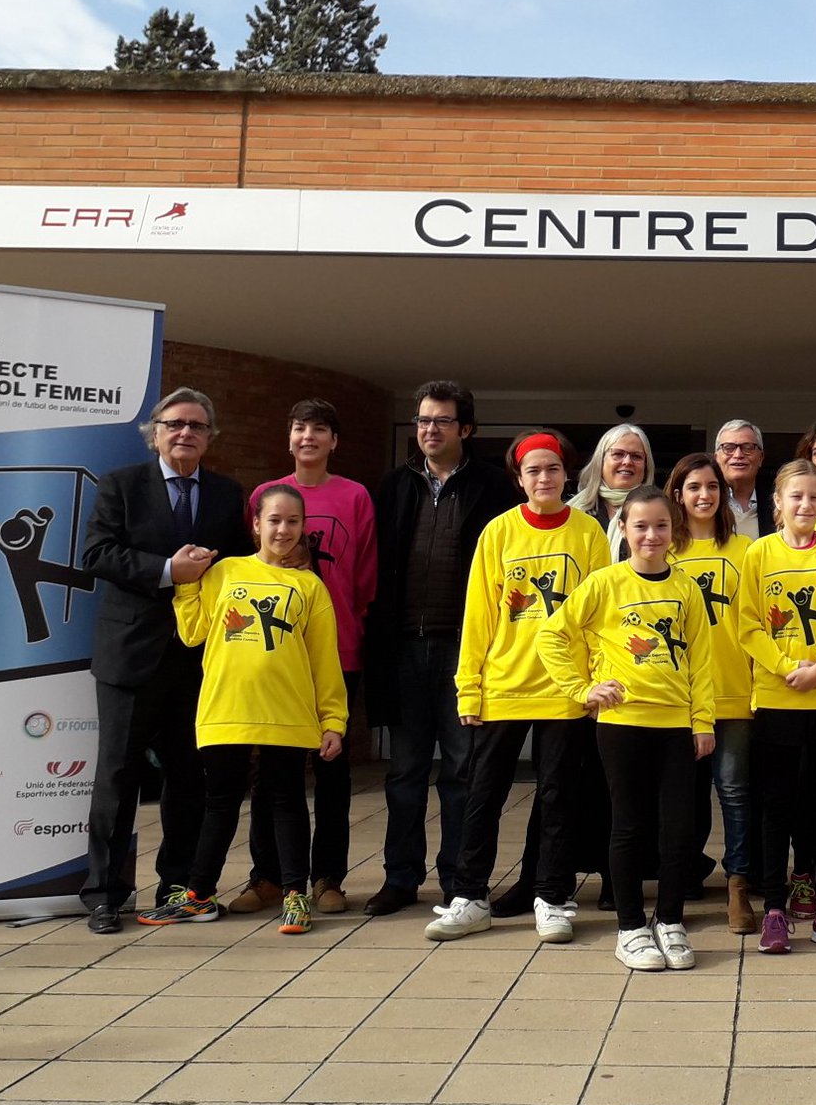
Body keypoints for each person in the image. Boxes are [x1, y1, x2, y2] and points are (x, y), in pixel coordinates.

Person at [424, 432, 610, 943]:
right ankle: (470, 896)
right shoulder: (499, 533)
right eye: (533, 471)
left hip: (566, 690)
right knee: (483, 794)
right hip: (504, 684)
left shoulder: (588, 532)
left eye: (552, 469)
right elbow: (479, 614)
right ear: (519, 477)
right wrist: (470, 687)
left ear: (567, 474)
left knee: (557, 797)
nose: (544, 478)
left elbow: (599, 617)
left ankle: (552, 897)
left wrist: (592, 684)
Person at [80, 387, 250, 935]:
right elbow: (96, 554)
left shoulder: (227, 494)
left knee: (188, 779)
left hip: (199, 661)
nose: (185, 434)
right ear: (154, 432)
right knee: (118, 776)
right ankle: (105, 894)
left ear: (209, 437)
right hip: (131, 656)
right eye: (175, 424)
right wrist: (166, 570)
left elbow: (241, 567)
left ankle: (178, 885)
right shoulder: (121, 485)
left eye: (197, 426)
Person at [143, 485, 348, 934]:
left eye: (293, 521)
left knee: (287, 801)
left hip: (288, 714)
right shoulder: (224, 573)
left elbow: (324, 660)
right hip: (225, 710)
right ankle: (200, 895)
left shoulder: (309, 586)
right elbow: (193, 633)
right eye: (273, 520)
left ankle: (295, 895)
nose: (283, 529)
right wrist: (186, 584)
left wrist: (333, 719)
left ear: (303, 528)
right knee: (219, 803)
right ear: (255, 524)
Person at [539, 485, 716, 971]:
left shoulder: (685, 588)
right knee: (629, 825)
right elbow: (553, 635)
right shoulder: (605, 583)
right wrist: (582, 689)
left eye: (661, 525)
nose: (651, 535)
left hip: (677, 728)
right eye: (640, 525)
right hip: (622, 727)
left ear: (673, 530)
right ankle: (631, 926)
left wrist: (702, 722)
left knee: (678, 829)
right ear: (623, 528)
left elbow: (702, 660)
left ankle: (671, 921)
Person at [360, 381, 519, 918]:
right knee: (404, 770)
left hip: (463, 646)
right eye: (423, 420)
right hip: (403, 646)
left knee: (460, 771)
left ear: (465, 429)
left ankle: (459, 879)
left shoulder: (496, 488)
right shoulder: (393, 485)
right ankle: (400, 878)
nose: (429, 429)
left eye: (441, 421)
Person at [231, 400, 376, 917]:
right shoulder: (264, 495)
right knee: (273, 772)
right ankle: (267, 876)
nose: (308, 436)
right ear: (289, 437)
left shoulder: (354, 495)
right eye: (299, 427)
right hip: (275, 654)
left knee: (333, 770)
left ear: (334, 440)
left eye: (319, 429)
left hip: (338, 649)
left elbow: (363, 577)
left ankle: (327, 877)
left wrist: (342, 626)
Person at [737, 459, 816, 954]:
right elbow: (747, 624)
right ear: (779, 503)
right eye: (796, 497)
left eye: (815, 497)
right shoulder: (759, 554)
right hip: (776, 695)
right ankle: (774, 908)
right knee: (776, 805)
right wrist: (786, 666)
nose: (806, 506)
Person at [667, 451, 756, 933]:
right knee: (683, 794)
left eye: (713, 487)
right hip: (678, 696)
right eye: (694, 486)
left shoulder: (744, 551)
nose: (704, 495)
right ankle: (680, 876)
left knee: (736, 793)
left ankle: (738, 886)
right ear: (677, 494)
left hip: (734, 691)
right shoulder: (664, 550)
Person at [570, 422, 655, 556]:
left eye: (636, 456)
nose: (627, 462)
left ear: (646, 466)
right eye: (618, 454)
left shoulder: (660, 511)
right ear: (601, 460)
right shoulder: (575, 511)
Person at [715, 420, 772, 536]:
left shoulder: (777, 505)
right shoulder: (707, 503)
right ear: (716, 458)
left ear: (761, 458)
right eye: (728, 448)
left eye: (748, 447)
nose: (738, 455)